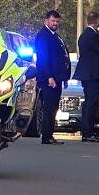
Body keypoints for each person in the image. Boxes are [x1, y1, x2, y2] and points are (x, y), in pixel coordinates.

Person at [34, 10, 71, 145]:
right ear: (46, 21)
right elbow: (43, 59)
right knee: (49, 107)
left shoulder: (55, 36)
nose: (55, 23)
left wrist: (65, 77)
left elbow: (62, 57)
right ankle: (46, 136)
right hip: (49, 79)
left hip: (57, 78)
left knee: (54, 107)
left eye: (57, 21)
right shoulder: (43, 36)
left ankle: (50, 134)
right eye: (53, 21)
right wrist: (49, 76)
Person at [73, 11, 99, 143]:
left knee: (90, 102)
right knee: (91, 103)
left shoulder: (83, 35)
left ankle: (87, 131)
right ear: (97, 21)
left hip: (87, 74)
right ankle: (88, 132)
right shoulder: (93, 36)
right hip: (93, 75)